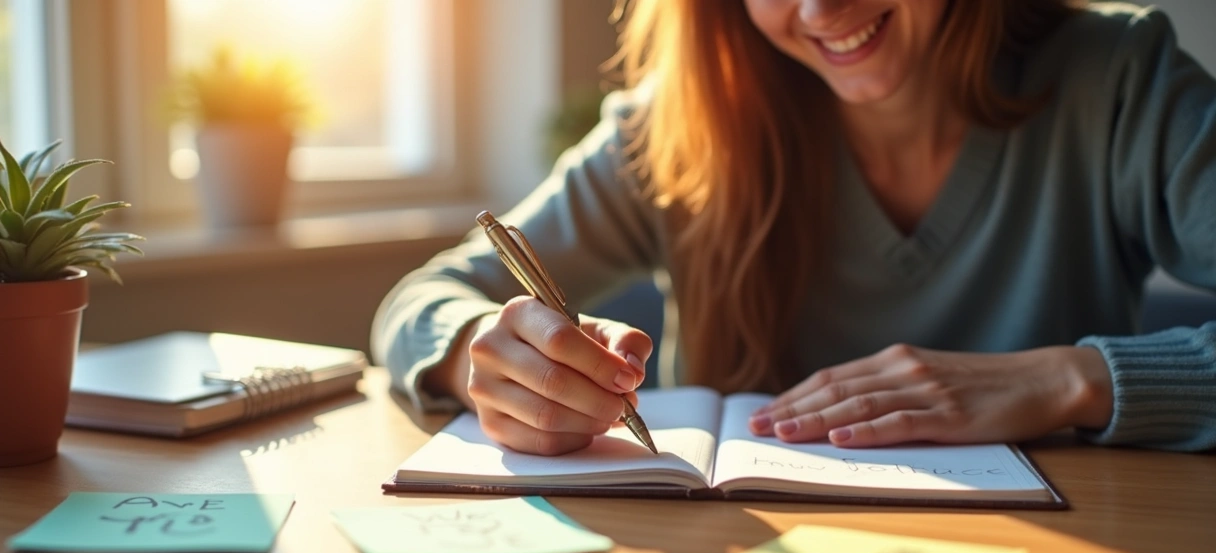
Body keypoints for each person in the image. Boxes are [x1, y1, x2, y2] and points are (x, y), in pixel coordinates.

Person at [372, 0, 1216, 456]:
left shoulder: (1121, 84)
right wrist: (481, 347)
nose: (819, 9)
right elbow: (422, 298)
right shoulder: (680, 127)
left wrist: (1071, 381)